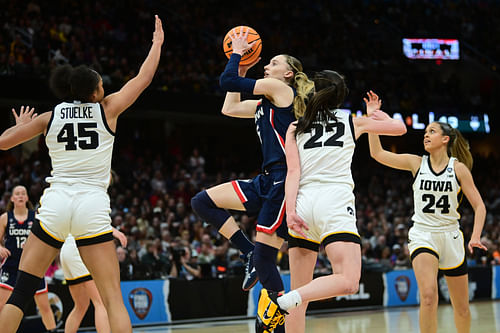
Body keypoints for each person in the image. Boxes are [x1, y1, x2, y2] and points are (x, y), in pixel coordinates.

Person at [0, 15, 163, 333]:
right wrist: (156, 44)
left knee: (21, 293)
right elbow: (143, 78)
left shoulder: (50, 116)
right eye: (101, 84)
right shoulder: (108, 109)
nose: (105, 87)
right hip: (91, 204)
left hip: (56, 203)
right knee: (113, 299)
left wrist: (21, 127)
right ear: (93, 93)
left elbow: (4, 143)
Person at [256, 79, 407, 333]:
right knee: (348, 282)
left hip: (302, 206)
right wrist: (374, 114)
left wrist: (290, 211)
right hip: (333, 204)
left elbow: (292, 172)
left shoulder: (296, 126)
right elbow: (400, 128)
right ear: (338, 98)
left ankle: (287, 300)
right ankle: (282, 301)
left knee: (300, 294)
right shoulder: (350, 119)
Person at [191, 26, 314, 309]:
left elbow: (226, 80)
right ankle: (247, 252)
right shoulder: (265, 100)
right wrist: (243, 68)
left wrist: (236, 55)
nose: (267, 65)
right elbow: (230, 107)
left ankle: (280, 319)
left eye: (274, 63)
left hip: (284, 180)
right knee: (202, 202)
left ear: (288, 74)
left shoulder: (280, 89)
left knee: (266, 261)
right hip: (267, 179)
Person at [367, 94, 487, 333]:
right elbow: (377, 154)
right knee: (429, 296)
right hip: (423, 234)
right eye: (425, 132)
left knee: (461, 308)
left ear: (445, 139)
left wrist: (475, 236)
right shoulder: (416, 163)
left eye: (431, 132)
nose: (426, 135)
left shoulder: (459, 168)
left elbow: (480, 206)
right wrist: (373, 120)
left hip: (452, 236)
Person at [0, 185, 57, 332]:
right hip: (11, 267)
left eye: (23, 194)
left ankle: (53, 330)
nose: (20, 196)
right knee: (2, 305)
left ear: (26, 198)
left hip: (33, 265)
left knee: (44, 306)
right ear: (12, 198)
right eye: (17, 194)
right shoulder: (5, 218)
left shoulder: (35, 217)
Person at [60, 228, 127, 333]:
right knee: (100, 303)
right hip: (78, 247)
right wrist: (115, 231)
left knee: (80, 305)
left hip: (66, 249)